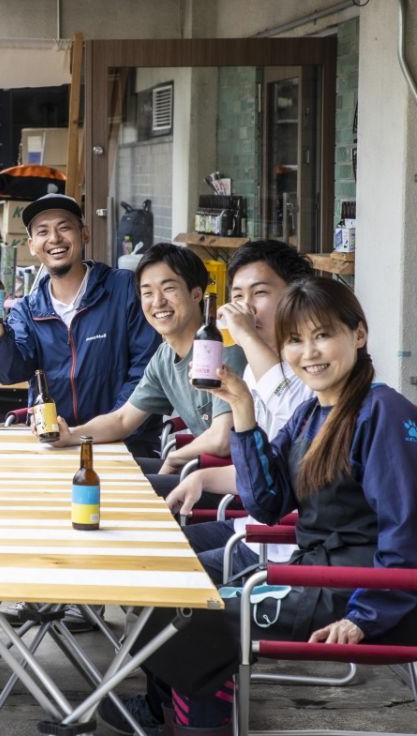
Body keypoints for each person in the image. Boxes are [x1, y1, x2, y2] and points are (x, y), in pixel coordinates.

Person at [100, 277, 417, 735]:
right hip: (315, 578)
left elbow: (409, 534)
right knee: (170, 602)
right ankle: (186, 717)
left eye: (323, 335)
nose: (310, 352)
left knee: (189, 621)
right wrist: (243, 410)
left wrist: (364, 616)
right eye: (295, 341)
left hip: (360, 593)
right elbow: (266, 503)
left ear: (357, 335)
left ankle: (198, 724)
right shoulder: (312, 413)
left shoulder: (383, 413)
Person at [164, 240, 316, 582]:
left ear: (297, 295)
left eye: (260, 293)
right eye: (238, 296)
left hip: (282, 547)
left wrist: (246, 337)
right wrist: (201, 477)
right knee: (155, 551)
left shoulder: (314, 370)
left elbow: (289, 406)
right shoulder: (252, 370)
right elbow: (262, 468)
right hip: (248, 529)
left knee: (166, 574)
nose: (246, 308)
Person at [51, 243, 247, 499]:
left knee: (114, 490)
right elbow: (122, 420)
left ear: (196, 294)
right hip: (200, 469)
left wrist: (174, 457)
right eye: (147, 292)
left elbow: (222, 440)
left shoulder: (222, 348)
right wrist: (72, 435)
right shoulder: (164, 355)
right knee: (94, 471)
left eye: (169, 289)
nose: (158, 302)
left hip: (234, 483)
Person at [0, 193, 161, 457]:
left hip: (124, 446)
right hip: (54, 445)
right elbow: (9, 372)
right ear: (32, 245)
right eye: (43, 232)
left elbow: (146, 372)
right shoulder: (28, 310)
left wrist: (100, 430)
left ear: (84, 234)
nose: (55, 239)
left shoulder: (124, 290)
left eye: (64, 227)